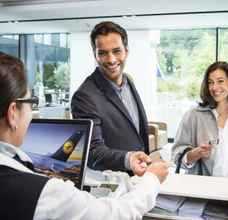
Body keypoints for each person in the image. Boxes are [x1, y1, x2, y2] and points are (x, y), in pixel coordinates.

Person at [0, 52, 168, 220]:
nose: (111, 59)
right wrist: (151, 180)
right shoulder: (42, 193)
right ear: (13, 113)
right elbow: (116, 215)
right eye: (32, 103)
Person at [71, 21, 151, 175]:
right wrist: (130, 159)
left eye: (116, 51)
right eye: (102, 53)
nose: (111, 59)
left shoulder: (129, 82)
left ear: (126, 51)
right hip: (112, 186)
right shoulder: (84, 96)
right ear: (95, 54)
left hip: (139, 177)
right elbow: (93, 152)